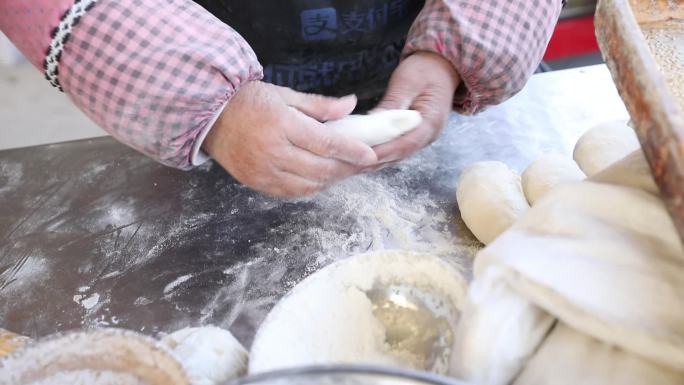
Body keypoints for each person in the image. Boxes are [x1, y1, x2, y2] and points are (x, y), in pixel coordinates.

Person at [0, 0, 564, 197]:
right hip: (192, 114)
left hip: (429, 80)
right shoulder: (190, 100)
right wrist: (200, 103)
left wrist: (454, 52)